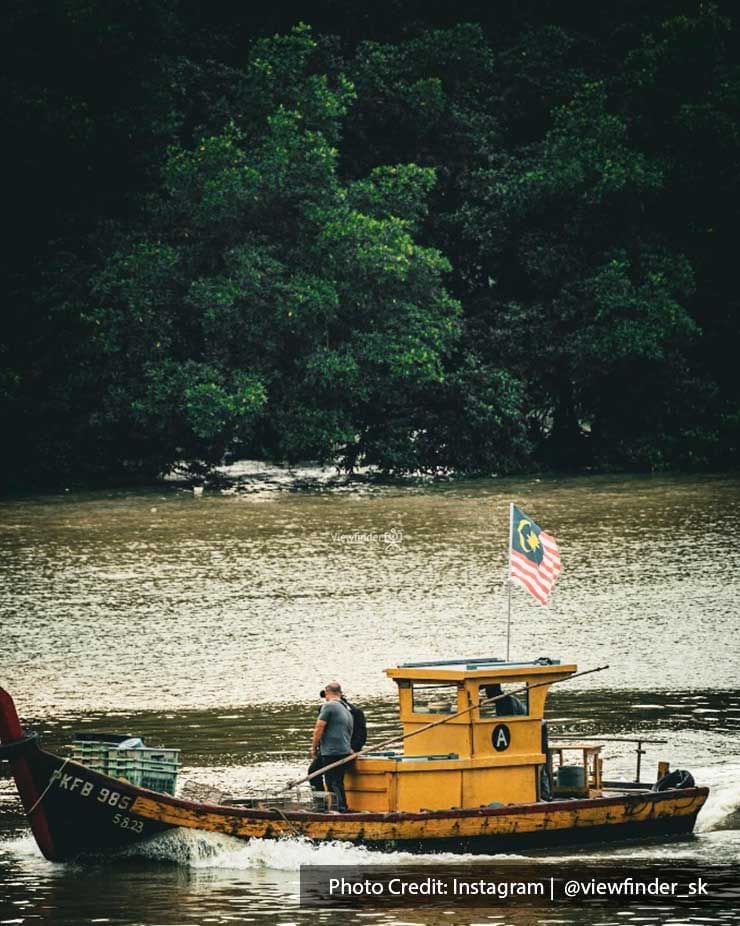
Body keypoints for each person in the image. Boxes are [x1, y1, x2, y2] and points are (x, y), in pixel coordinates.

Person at [309, 681, 353, 812]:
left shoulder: (328, 706)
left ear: (327, 693)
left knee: (330, 780)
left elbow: (319, 727)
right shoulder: (346, 708)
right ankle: (332, 806)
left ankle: (335, 808)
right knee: (332, 779)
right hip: (343, 749)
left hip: (331, 751)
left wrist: (314, 747)